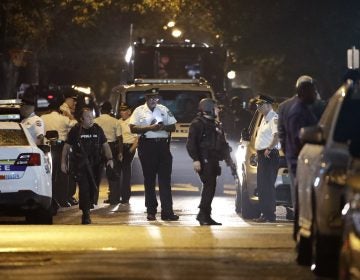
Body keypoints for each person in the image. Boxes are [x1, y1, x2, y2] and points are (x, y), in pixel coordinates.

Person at [129, 88, 178, 221]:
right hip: (147, 146)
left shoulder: (163, 109)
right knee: (149, 180)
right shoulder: (139, 111)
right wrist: (149, 128)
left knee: (165, 180)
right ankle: (151, 211)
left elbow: (173, 126)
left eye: (155, 97)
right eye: (150, 97)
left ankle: (167, 212)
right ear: (146, 98)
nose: (153, 100)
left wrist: (162, 127)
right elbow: (132, 128)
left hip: (162, 145)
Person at [186, 98, 235, 226]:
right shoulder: (197, 124)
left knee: (211, 187)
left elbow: (223, 145)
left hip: (213, 159)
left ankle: (205, 215)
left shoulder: (216, 124)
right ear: (209, 108)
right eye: (216, 108)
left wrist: (230, 162)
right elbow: (191, 144)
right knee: (209, 186)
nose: (218, 110)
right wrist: (196, 159)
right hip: (204, 159)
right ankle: (203, 214)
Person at [61, 107, 114, 224]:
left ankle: (89, 206)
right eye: (88, 117)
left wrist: (110, 158)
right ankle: (86, 214)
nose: (91, 119)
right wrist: (63, 162)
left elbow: (105, 145)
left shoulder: (97, 129)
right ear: (81, 119)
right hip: (81, 165)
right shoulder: (76, 130)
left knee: (93, 189)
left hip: (96, 165)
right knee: (84, 188)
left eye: (92, 116)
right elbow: (66, 147)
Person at [41, 101, 77, 207]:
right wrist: (69, 114)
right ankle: (63, 200)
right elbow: (75, 123)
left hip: (47, 148)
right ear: (59, 110)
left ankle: (51, 199)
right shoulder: (64, 119)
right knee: (63, 173)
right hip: (61, 148)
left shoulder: (42, 118)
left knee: (50, 174)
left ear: (49, 109)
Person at [253, 95, 280, 223]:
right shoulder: (264, 118)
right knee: (262, 185)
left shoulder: (274, 118)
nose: (258, 107)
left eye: (260, 105)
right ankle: (265, 213)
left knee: (267, 185)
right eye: (257, 105)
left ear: (268, 105)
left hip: (269, 155)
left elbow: (277, 135)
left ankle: (269, 214)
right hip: (263, 155)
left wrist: (269, 148)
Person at [94, 101, 122, 205]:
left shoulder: (95, 121)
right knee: (113, 174)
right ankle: (114, 199)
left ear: (101, 110)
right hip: (111, 148)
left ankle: (94, 199)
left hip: (98, 148)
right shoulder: (115, 121)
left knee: (96, 173)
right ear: (110, 110)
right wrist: (120, 152)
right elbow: (119, 138)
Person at [118, 103, 138, 205]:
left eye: (124, 110)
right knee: (118, 172)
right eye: (121, 110)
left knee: (126, 173)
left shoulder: (132, 122)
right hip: (120, 148)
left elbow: (137, 138)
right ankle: (117, 195)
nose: (122, 112)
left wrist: (131, 149)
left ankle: (125, 197)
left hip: (129, 147)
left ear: (129, 111)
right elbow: (118, 137)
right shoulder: (118, 122)